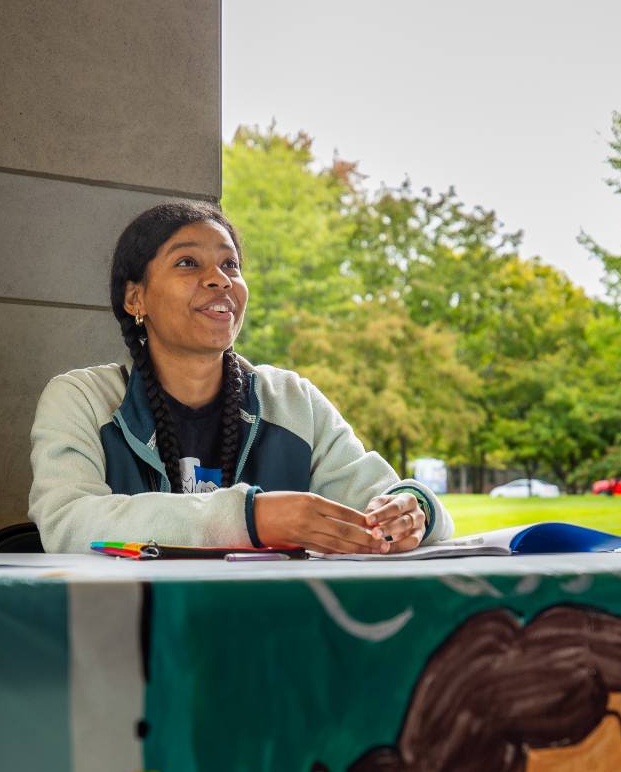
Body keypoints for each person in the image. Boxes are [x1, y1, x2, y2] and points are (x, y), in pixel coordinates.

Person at [29, 200, 454, 555]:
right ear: (135, 297)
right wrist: (249, 518)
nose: (219, 279)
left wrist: (411, 510)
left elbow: (383, 501)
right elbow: (68, 523)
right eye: (188, 262)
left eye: (230, 264)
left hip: (271, 633)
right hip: (135, 637)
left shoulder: (293, 400)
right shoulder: (82, 399)